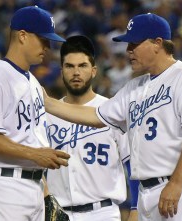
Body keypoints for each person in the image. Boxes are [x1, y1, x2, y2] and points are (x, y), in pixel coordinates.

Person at [44, 13, 182, 220]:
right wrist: (48, 103)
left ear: (157, 43)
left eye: (134, 44)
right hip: (147, 191)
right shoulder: (134, 87)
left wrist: (176, 183)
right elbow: (96, 115)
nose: (128, 51)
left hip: (181, 186)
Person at [0, 6, 70, 221]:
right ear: (22, 36)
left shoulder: (32, 82)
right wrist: (36, 155)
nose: (48, 46)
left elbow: (31, 139)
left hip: (33, 187)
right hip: (5, 187)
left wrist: (45, 193)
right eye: (43, 39)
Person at [45, 35, 139, 221]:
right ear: (62, 71)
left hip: (102, 212)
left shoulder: (112, 110)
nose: (76, 72)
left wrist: (135, 208)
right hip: (59, 212)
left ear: (94, 70)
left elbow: (133, 164)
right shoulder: (47, 116)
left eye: (82, 66)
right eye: (69, 66)